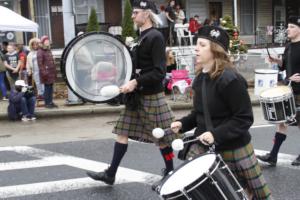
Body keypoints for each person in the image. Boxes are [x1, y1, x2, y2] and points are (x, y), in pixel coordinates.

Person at [170, 26, 272, 199]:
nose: (196, 48)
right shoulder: (201, 77)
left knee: (258, 196)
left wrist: (215, 134)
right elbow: (200, 113)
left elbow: (244, 118)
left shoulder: (231, 79)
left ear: (215, 50)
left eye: (202, 45)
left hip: (235, 148)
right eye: (197, 44)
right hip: (205, 148)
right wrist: (182, 123)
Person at [86, 0, 177, 190]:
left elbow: (159, 72)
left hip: (151, 96)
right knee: (122, 132)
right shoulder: (140, 37)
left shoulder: (155, 37)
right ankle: (111, 174)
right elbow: (135, 66)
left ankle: (170, 171)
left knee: (160, 138)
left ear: (147, 14)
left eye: (136, 13)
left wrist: (136, 81)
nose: (132, 16)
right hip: (136, 96)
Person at [257, 16, 300, 167]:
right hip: (288, 90)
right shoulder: (288, 46)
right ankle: (273, 156)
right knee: (282, 122)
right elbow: (285, 65)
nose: (288, 29)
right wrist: (277, 61)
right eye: (288, 26)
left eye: (292, 27)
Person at [37, 35, 58, 108]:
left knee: (50, 88)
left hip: (51, 72)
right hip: (46, 73)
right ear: (43, 42)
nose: (47, 42)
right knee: (47, 88)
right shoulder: (40, 51)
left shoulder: (48, 50)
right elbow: (40, 64)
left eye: (48, 41)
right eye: (46, 41)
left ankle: (50, 102)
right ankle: (47, 103)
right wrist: (44, 73)